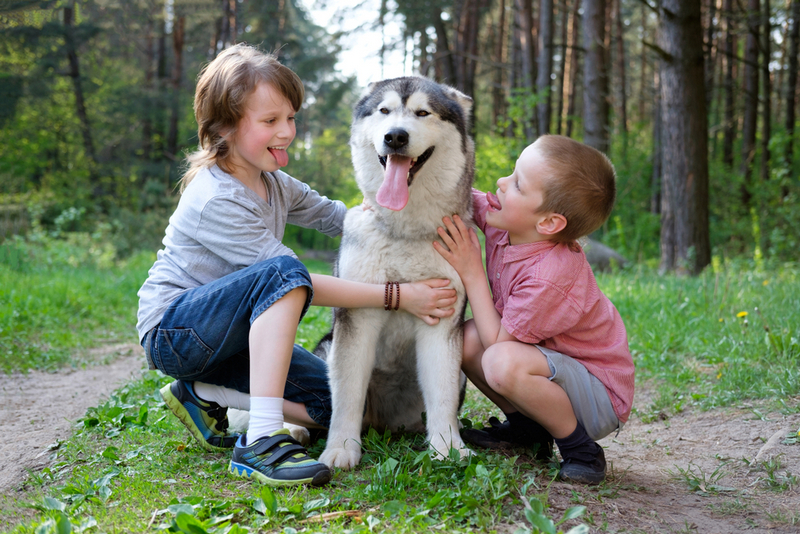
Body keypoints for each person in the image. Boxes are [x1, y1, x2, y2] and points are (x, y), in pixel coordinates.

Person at [136, 44, 457, 488]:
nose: (286, 131)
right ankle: (261, 440)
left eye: (290, 118)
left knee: (346, 406)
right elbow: (295, 283)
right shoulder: (216, 198)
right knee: (284, 274)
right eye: (270, 122)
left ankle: (201, 392)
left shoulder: (272, 179)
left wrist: (410, 212)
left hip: (233, 338)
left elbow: (337, 216)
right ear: (224, 128)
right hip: (178, 332)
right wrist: (398, 295)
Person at [433, 135, 634, 484]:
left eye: (517, 185)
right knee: (464, 341)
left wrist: (471, 271)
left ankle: (581, 450)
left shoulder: (550, 275)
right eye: (511, 173)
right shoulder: (509, 223)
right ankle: (529, 433)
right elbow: (461, 196)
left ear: (548, 223)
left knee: (500, 361)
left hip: (598, 397)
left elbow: (498, 343)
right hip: (549, 369)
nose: (501, 182)